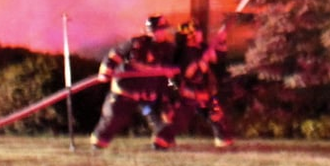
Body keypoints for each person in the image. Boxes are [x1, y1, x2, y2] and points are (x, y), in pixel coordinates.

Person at [91, 14, 176, 150]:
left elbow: (176, 66)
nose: (162, 33)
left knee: (164, 116)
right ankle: (99, 143)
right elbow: (114, 55)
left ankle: (161, 142)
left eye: (163, 29)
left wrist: (173, 73)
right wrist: (106, 71)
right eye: (159, 29)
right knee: (114, 117)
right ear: (151, 31)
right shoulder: (136, 44)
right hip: (127, 91)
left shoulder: (168, 49)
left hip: (149, 95)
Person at [170, 21, 235, 149]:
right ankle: (164, 139)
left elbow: (217, 58)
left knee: (216, 115)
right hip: (187, 92)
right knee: (180, 119)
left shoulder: (202, 48)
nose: (200, 34)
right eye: (197, 32)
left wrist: (221, 40)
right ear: (189, 36)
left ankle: (222, 139)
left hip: (205, 90)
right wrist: (201, 63)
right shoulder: (183, 53)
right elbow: (189, 73)